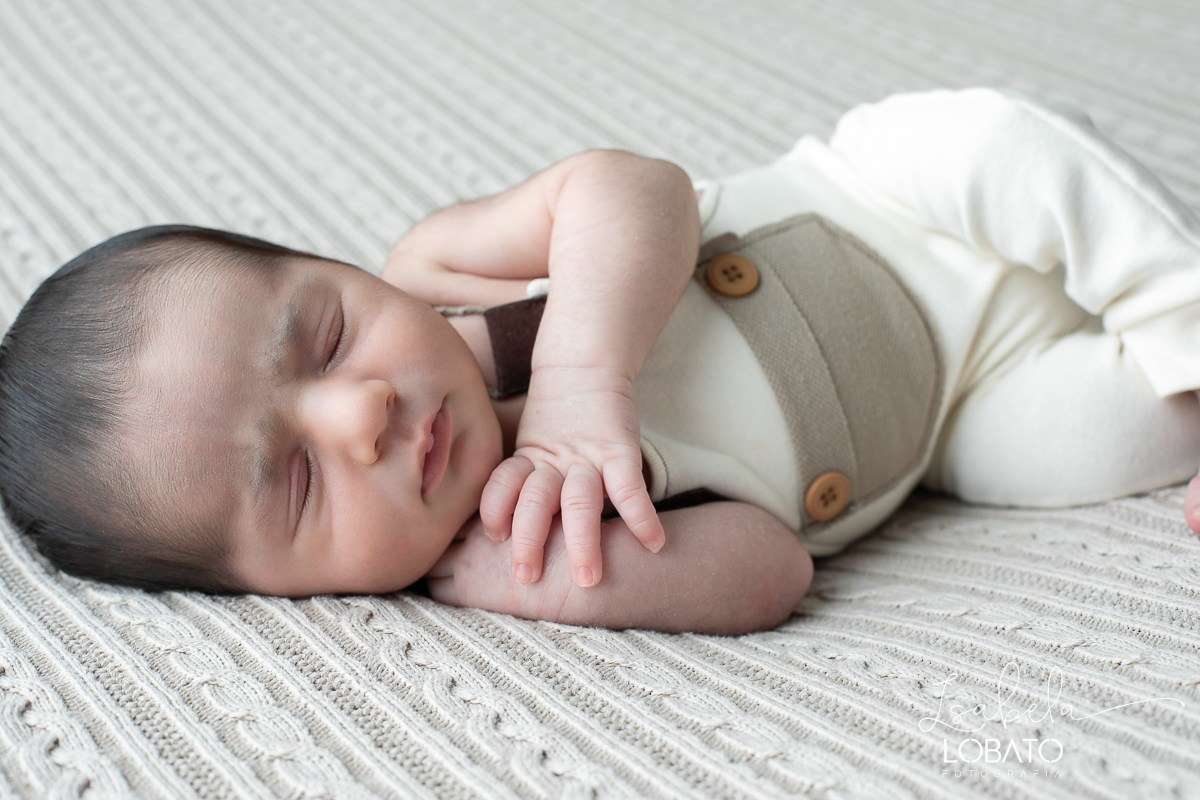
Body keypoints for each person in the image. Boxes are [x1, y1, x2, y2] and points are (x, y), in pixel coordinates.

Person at [1, 88, 1198, 636]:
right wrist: (545, 584)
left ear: (343, 267)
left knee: (988, 140)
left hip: (888, 206)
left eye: (322, 334)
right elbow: (769, 566)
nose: (360, 412)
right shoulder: (518, 544)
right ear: (280, 594)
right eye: (299, 483)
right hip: (952, 413)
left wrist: (580, 381)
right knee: (1114, 440)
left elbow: (630, 187)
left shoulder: (439, 276)